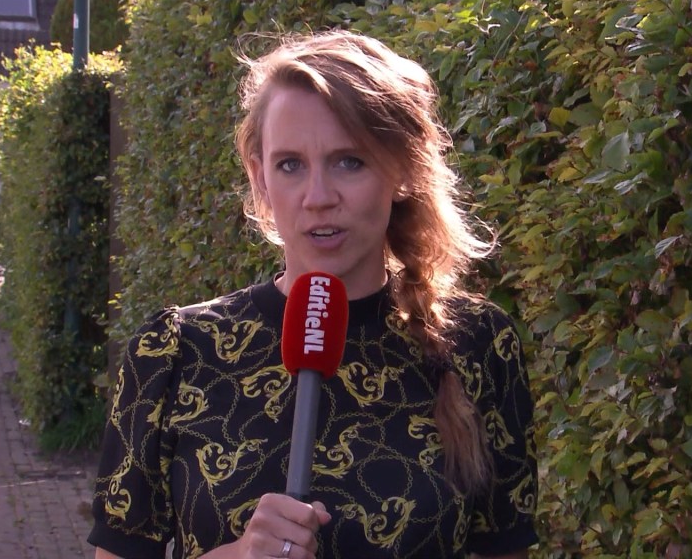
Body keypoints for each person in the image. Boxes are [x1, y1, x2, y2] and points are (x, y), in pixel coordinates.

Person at [89, 30, 538, 559]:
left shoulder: (478, 343)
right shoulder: (176, 351)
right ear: (260, 177)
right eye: (290, 165)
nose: (318, 197)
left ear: (402, 171)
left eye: (350, 161)